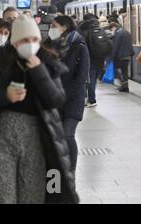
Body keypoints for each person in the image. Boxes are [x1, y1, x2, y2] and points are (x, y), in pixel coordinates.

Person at [0, 15, 78, 204]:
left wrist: (39, 71)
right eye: (25, 40)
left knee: (32, 193)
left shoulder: (47, 61)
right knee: (3, 194)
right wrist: (4, 95)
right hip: (1, 137)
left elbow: (56, 100)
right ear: (15, 42)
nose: (30, 44)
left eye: (34, 40)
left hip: (37, 137)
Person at [45, 16, 90, 177]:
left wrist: (63, 93)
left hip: (73, 100)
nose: (51, 28)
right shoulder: (49, 46)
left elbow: (82, 76)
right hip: (55, 100)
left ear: (64, 27)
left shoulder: (79, 46)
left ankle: (70, 171)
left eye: (54, 25)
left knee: (67, 134)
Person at [78, 13, 112, 107]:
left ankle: (91, 100)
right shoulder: (100, 29)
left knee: (90, 79)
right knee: (94, 79)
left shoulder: (83, 30)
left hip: (89, 59)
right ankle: (90, 98)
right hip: (100, 59)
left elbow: (81, 46)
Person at [109, 22, 134, 92]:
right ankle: (125, 86)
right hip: (128, 55)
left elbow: (115, 46)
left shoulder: (118, 33)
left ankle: (123, 85)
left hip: (120, 56)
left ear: (114, 27)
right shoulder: (127, 32)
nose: (112, 31)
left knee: (117, 69)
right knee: (125, 71)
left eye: (111, 29)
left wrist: (112, 56)